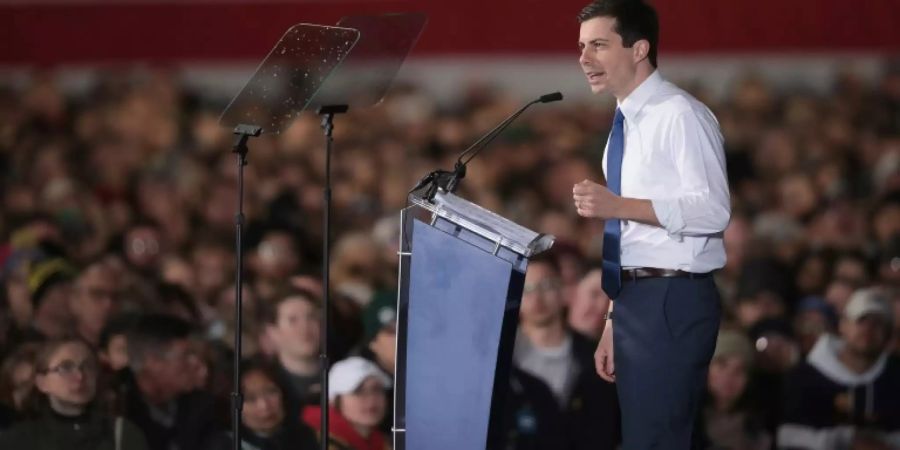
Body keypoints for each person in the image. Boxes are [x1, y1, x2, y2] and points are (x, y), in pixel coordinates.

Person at [572, 1, 731, 448]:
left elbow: (713, 210)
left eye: (599, 45)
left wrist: (618, 205)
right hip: (636, 301)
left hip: (671, 298)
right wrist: (612, 317)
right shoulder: (626, 121)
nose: (584, 59)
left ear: (639, 48)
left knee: (656, 441)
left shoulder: (680, 114)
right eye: (582, 47)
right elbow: (636, 241)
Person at [513, 253, 619, 449]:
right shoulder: (502, 357)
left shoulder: (593, 357)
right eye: (526, 289)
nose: (537, 298)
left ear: (563, 289)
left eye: (546, 286)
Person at [778, 288, 900, 449]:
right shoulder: (804, 376)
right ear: (843, 325)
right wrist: (847, 440)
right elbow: (786, 435)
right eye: (861, 320)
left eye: (878, 323)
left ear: (888, 334)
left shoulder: (895, 376)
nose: (868, 329)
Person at [0, 338, 149, 449]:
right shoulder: (17, 440)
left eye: (87, 366)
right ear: (42, 382)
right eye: (66, 368)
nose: (79, 376)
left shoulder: (122, 434)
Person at [302, 356, 391, 450]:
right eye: (358, 391)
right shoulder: (310, 441)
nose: (371, 398)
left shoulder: (386, 442)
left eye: (376, 389)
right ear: (334, 400)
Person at [229, 360, 318, 450]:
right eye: (250, 398)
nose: (264, 406)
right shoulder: (226, 444)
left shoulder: (309, 436)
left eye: (271, 392)